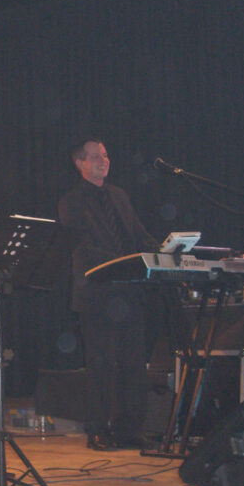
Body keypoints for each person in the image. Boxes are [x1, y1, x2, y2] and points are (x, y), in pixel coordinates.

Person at [58, 139, 160, 450]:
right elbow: (83, 246)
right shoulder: (71, 202)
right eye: (95, 157)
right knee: (100, 365)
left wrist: (163, 251)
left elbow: (138, 234)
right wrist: (125, 262)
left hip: (128, 294)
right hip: (97, 293)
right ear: (80, 163)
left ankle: (130, 429)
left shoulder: (119, 196)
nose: (104, 161)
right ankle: (98, 431)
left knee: (133, 364)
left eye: (105, 155)